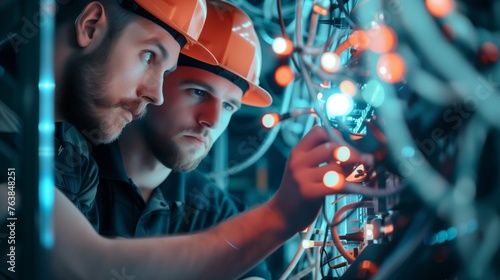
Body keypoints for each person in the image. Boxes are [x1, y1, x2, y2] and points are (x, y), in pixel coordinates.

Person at [0, 0, 363, 279]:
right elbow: (87, 266)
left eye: (230, 107)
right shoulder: (49, 153)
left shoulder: (67, 155)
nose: (154, 93)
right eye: (149, 57)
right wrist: (277, 218)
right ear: (90, 25)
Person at [92, 1, 272, 278]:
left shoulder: (212, 210)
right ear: (153, 76)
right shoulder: (69, 166)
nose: (211, 120)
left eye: (228, 106)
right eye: (198, 92)